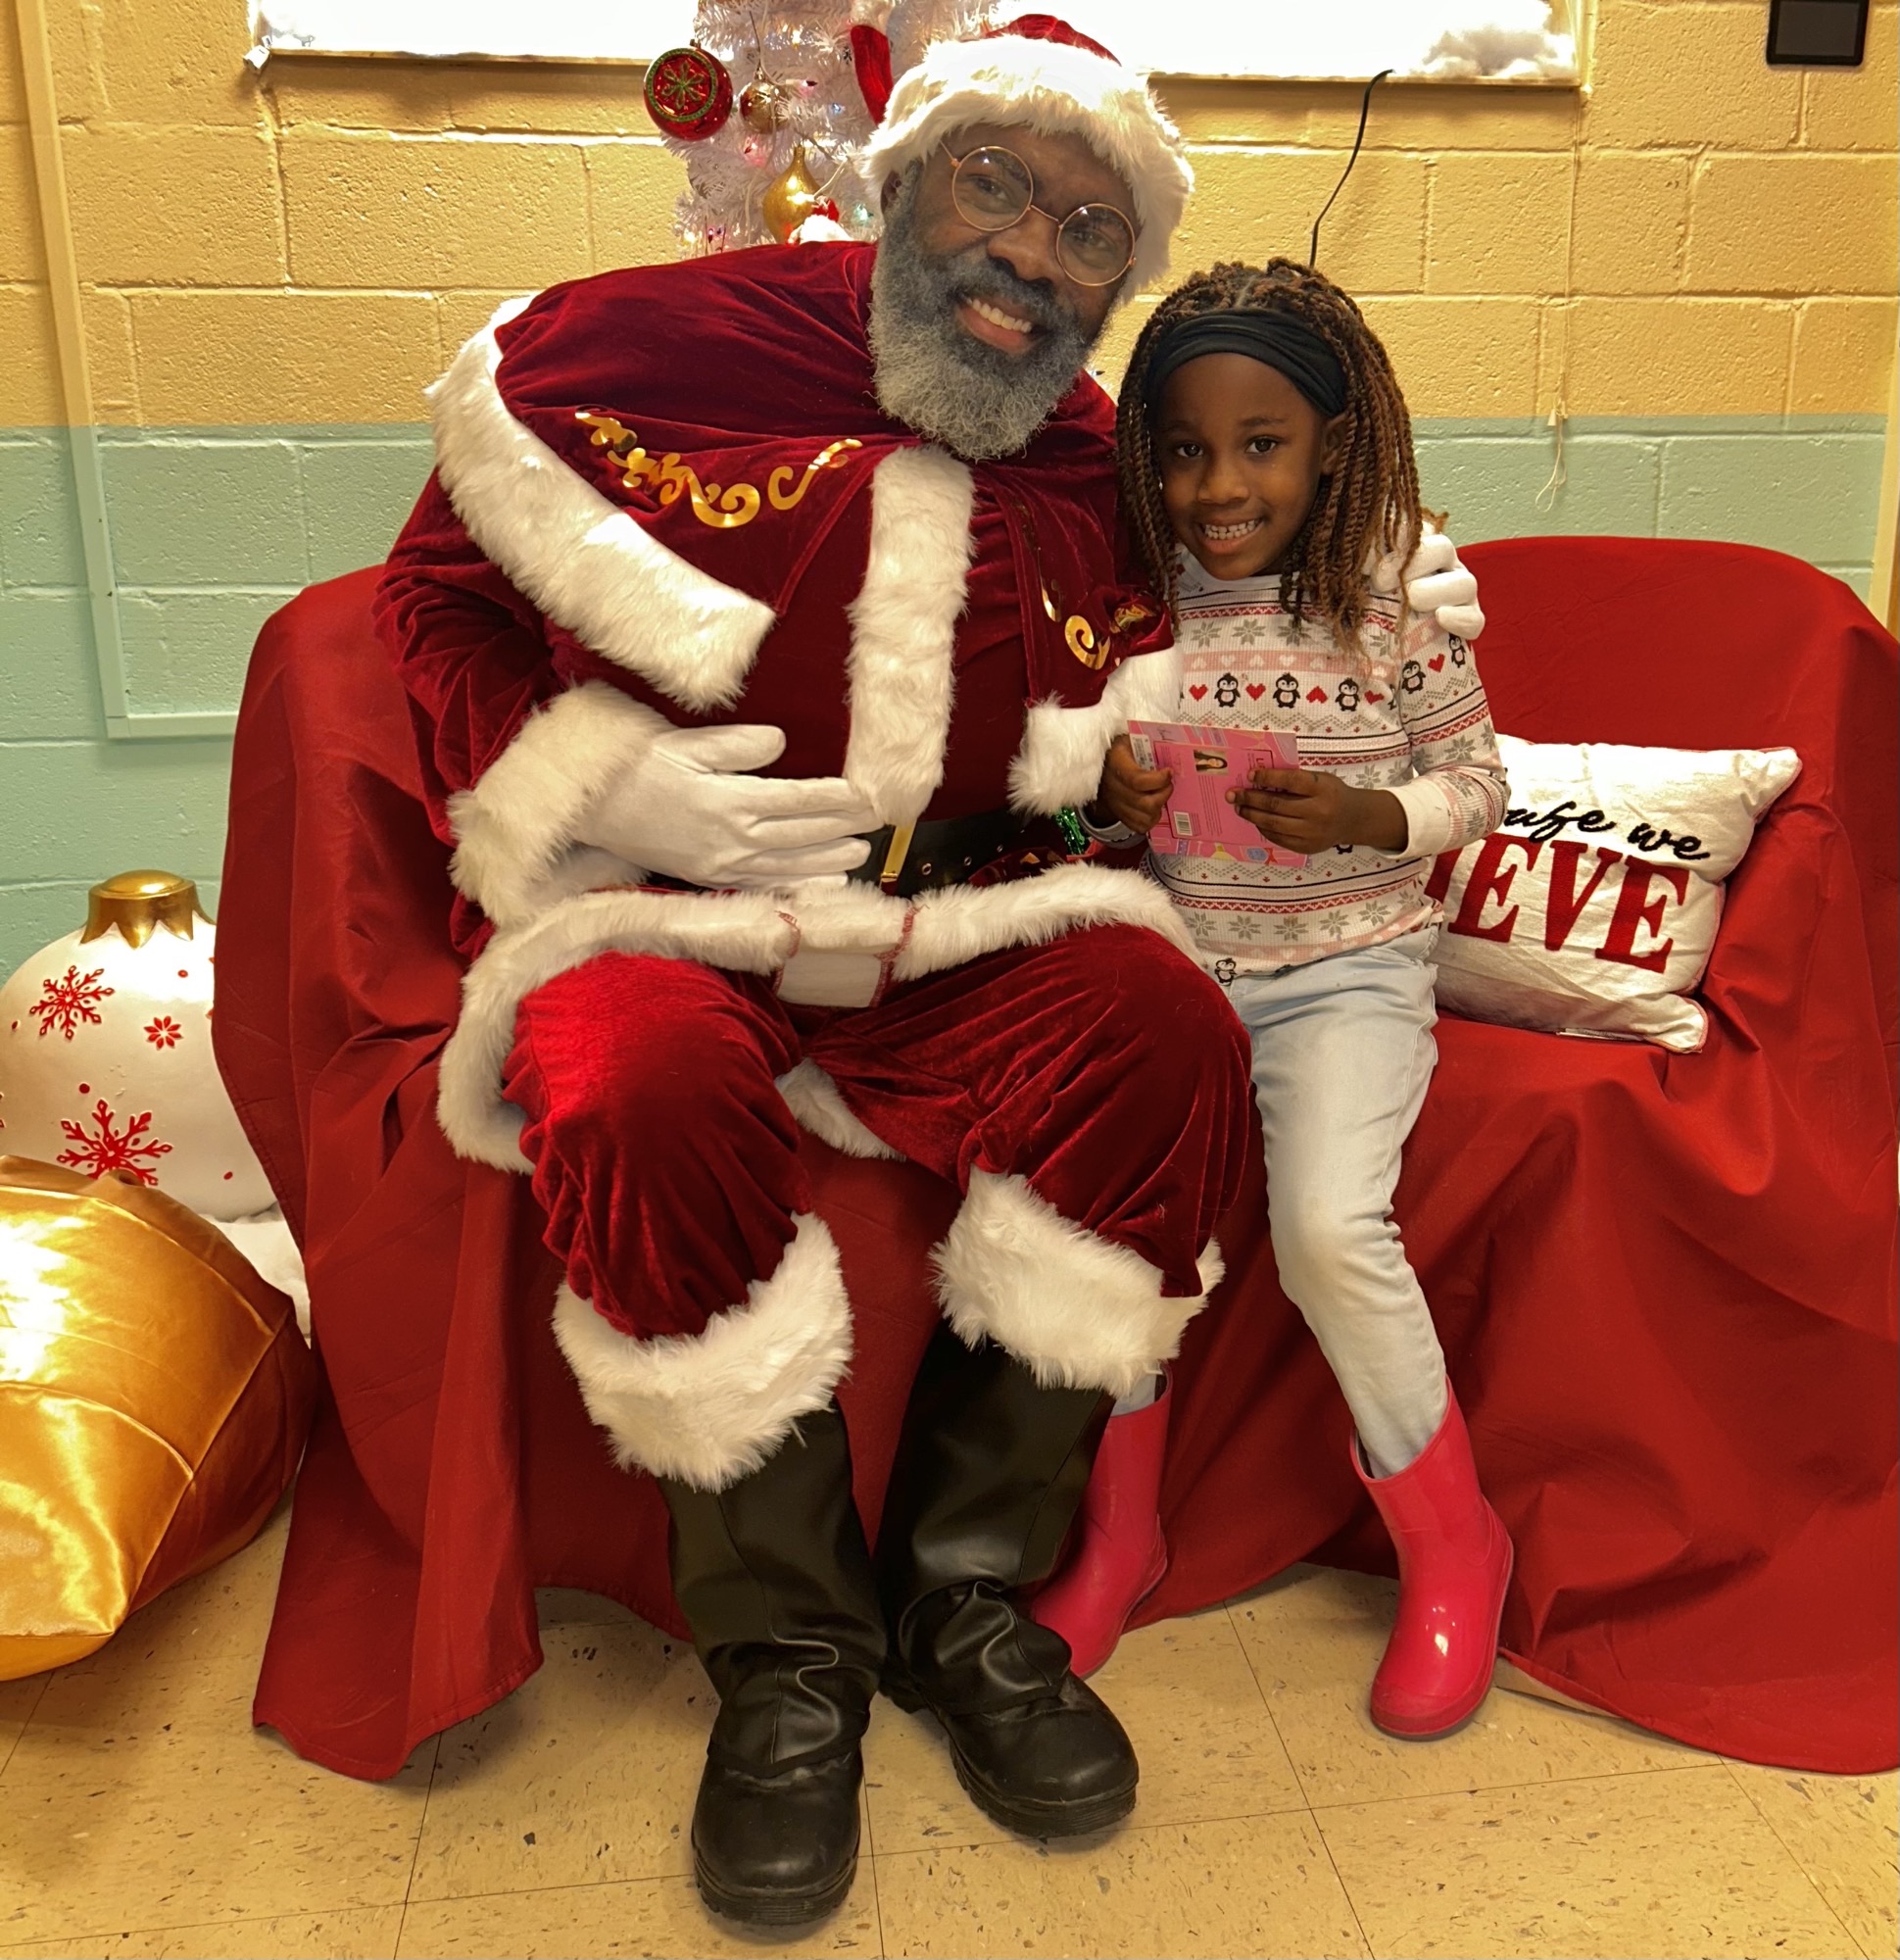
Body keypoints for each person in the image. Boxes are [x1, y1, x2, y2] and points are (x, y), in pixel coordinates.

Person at [373, 20, 1488, 1927]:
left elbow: (1277, 565)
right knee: (626, 1073)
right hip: (670, 907)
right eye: (998, 189)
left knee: (1157, 1038)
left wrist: (1398, 625)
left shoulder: (1093, 448)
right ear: (901, 181)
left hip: (967, 917)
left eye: (1086, 227)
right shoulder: (631, 354)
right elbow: (443, 594)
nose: (1033, 258)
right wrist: (602, 778)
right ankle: (786, 1662)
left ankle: (969, 1593)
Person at [1041, 257, 1514, 1740]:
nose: (1217, 485)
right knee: (1116, 1236)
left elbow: (1482, 783)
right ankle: (1125, 1537)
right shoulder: (1141, 608)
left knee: (1323, 1225)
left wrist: (1378, 824)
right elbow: (1081, 797)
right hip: (1181, 969)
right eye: (1184, 450)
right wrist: (1102, 793)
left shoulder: (1388, 603)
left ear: (1334, 446)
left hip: (1348, 972)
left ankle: (1456, 1542)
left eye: (1262, 445)